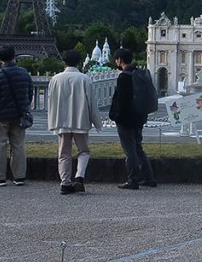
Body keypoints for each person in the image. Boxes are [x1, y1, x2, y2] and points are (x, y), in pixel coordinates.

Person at [48, 50, 104, 194]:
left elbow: (51, 102)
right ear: (79, 62)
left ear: (63, 61)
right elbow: (92, 102)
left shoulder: (55, 79)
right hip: (80, 120)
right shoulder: (84, 79)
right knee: (84, 151)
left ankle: (65, 182)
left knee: (64, 153)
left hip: (62, 121)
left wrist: (52, 122)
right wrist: (97, 123)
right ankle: (79, 177)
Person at [0, 45, 33, 186]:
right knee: (18, 145)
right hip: (19, 115)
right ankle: (19, 176)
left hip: (0, 115)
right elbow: (29, 94)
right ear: (14, 56)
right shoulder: (24, 73)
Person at [109, 47, 156, 190]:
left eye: (116, 59)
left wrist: (115, 116)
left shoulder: (124, 76)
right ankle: (149, 177)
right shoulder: (139, 74)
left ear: (119, 60)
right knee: (138, 147)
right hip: (139, 116)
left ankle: (133, 179)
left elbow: (121, 101)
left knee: (129, 150)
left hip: (126, 119)